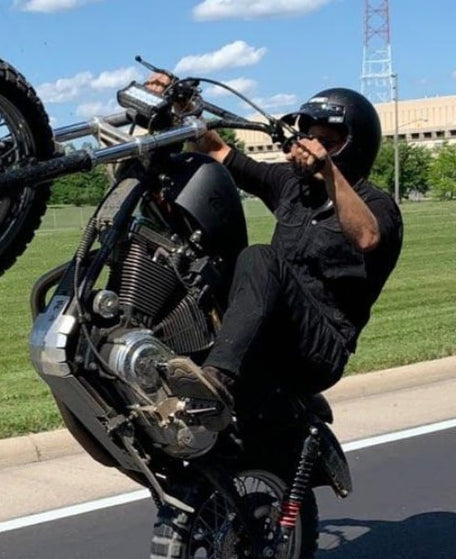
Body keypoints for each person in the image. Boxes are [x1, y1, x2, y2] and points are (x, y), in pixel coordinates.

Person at [148, 80, 404, 429]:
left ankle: (216, 381)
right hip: (273, 328)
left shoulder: (377, 205)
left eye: (326, 142)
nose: (312, 148)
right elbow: (219, 152)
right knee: (206, 266)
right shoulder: (290, 185)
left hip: (319, 350)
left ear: (354, 147)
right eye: (310, 139)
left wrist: (328, 171)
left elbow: (367, 236)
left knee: (259, 258)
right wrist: (182, 105)